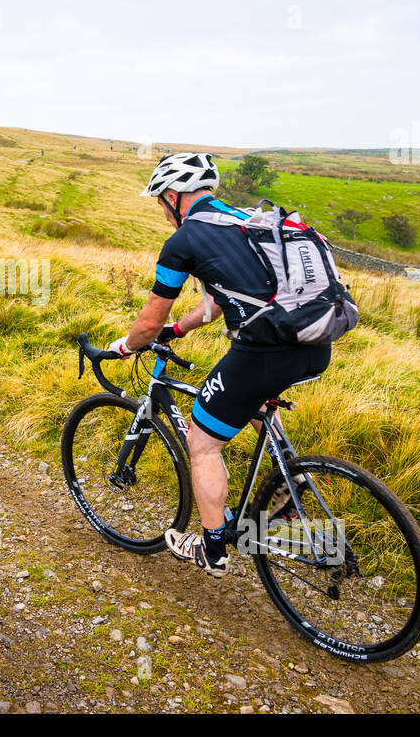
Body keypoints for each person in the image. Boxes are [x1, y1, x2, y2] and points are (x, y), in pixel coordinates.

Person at [104, 152, 331, 578]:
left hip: (265, 350)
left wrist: (127, 346)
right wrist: (180, 329)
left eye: (160, 203)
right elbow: (214, 304)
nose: (164, 213)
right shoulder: (247, 221)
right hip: (316, 342)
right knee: (254, 400)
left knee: (203, 441)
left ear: (173, 196)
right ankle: (291, 481)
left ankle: (212, 548)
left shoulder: (184, 242)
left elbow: (148, 322)